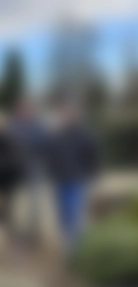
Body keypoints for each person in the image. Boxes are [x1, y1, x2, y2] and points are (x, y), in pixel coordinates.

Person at [48, 100, 100, 256]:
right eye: (65, 113)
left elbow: (94, 156)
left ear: (78, 115)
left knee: (75, 214)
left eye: (71, 113)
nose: (67, 116)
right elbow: (52, 156)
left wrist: (90, 174)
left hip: (77, 180)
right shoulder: (59, 135)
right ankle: (68, 245)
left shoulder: (86, 135)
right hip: (60, 180)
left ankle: (76, 250)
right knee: (63, 215)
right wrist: (53, 172)